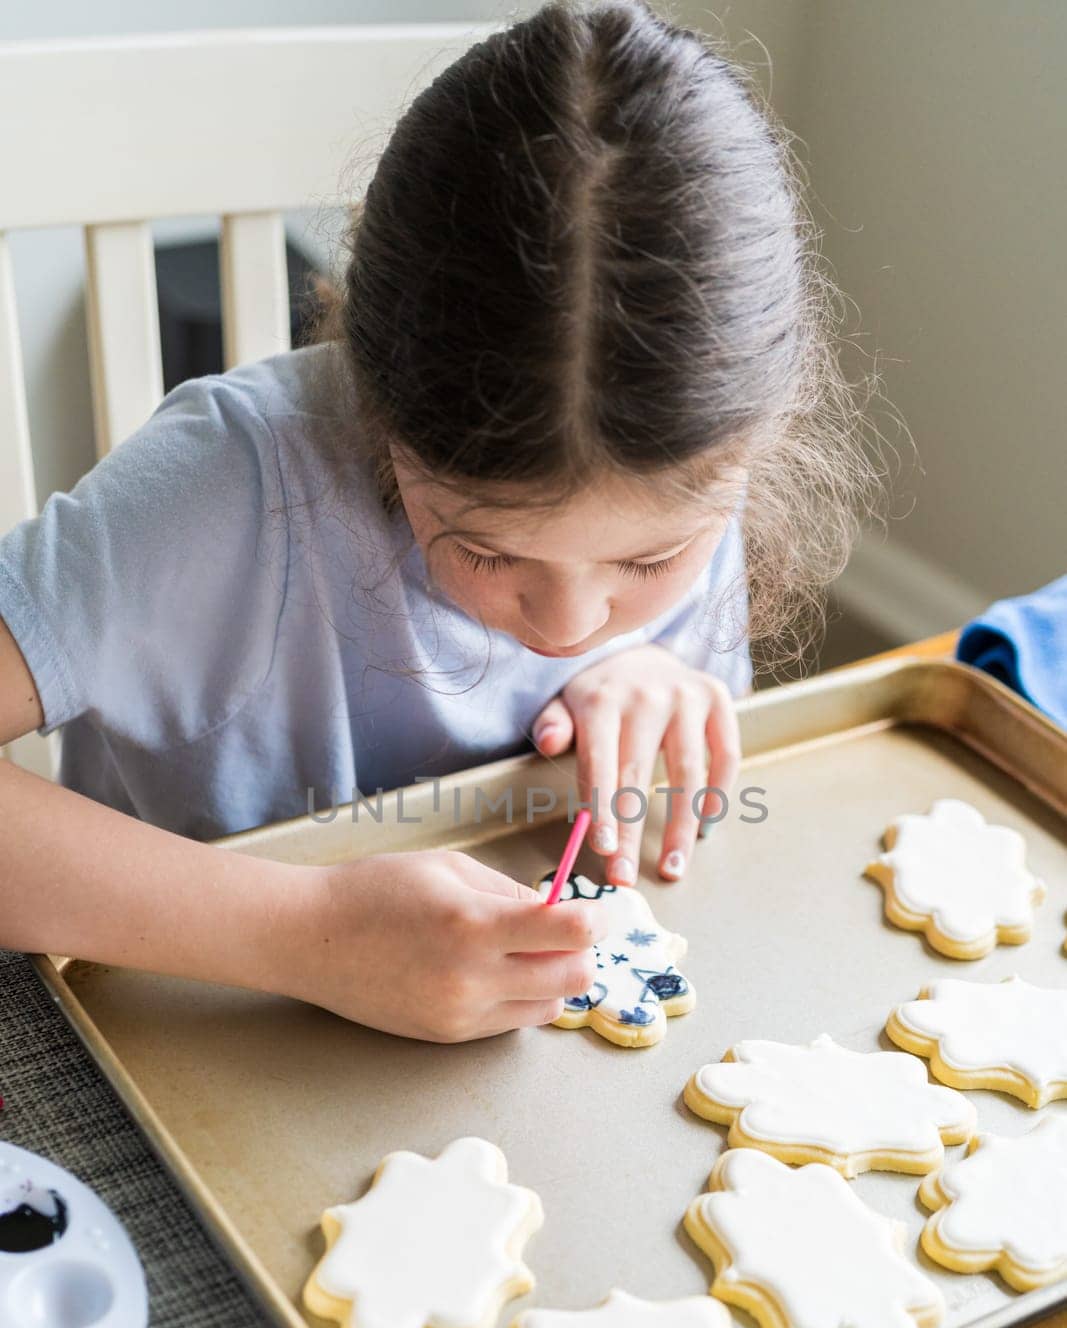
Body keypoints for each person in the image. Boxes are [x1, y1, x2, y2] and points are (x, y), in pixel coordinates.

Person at [0, 0, 880, 1042]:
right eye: (489, 548)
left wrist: (655, 693)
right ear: (383, 420)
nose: (569, 622)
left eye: (649, 559)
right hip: (175, 1050)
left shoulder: (687, 440)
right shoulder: (228, 494)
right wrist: (308, 932)